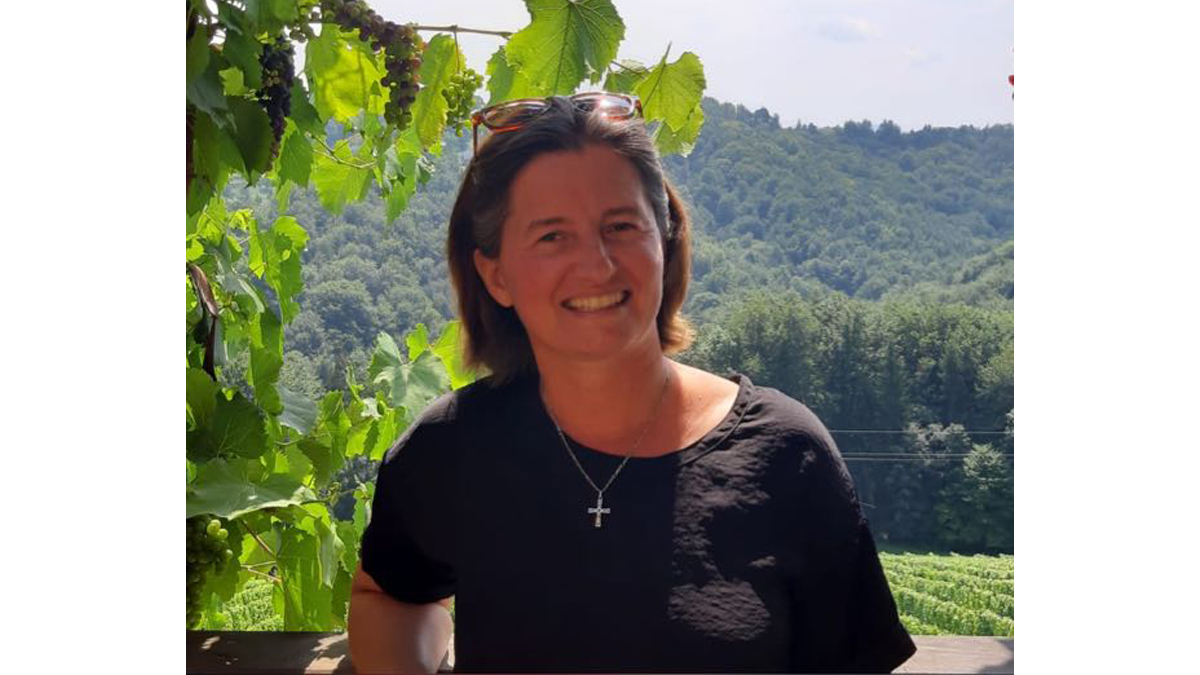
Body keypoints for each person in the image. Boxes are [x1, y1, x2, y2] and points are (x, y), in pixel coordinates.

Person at [347, 93, 916, 674]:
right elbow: (388, 595)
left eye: (620, 226)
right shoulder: (452, 450)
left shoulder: (787, 454)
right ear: (496, 275)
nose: (596, 265)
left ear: (665, 240)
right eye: (552, 236)